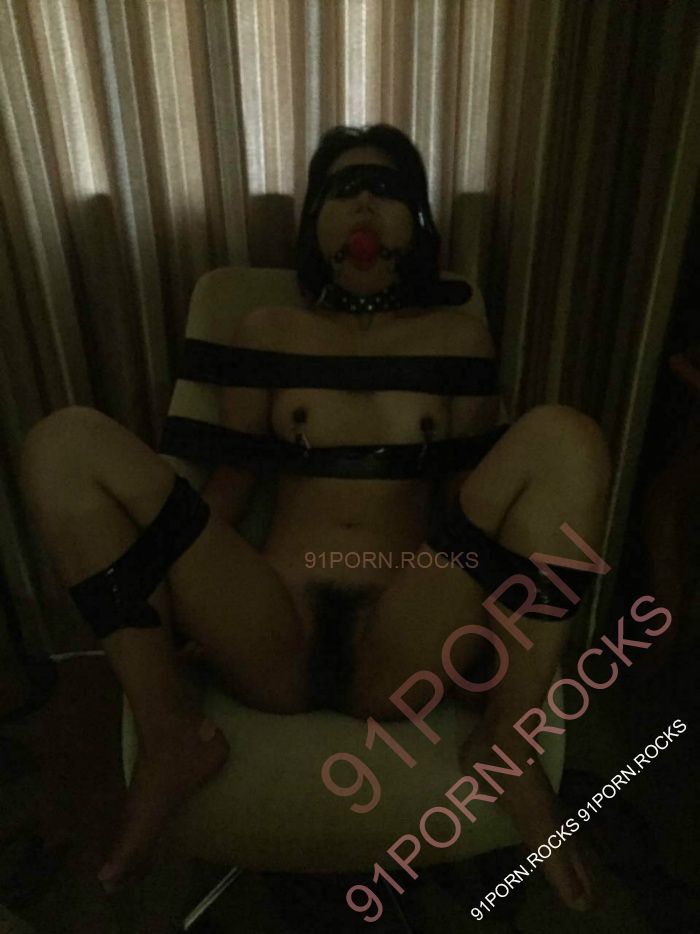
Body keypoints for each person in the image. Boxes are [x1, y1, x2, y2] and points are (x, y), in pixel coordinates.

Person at [19, 124, 609, 909]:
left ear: (416, 223)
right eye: (342, 189)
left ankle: (506, 739)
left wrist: (490, 636)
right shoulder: (267, 330)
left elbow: (468, 498)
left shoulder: (457, 334)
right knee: (63, 443)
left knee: (568, 437)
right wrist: (186, 595)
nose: (363, 203)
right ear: (314, 223)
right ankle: (170, 737)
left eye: (386, 189)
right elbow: (230, 480)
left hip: (404, 629)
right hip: (274, 622)